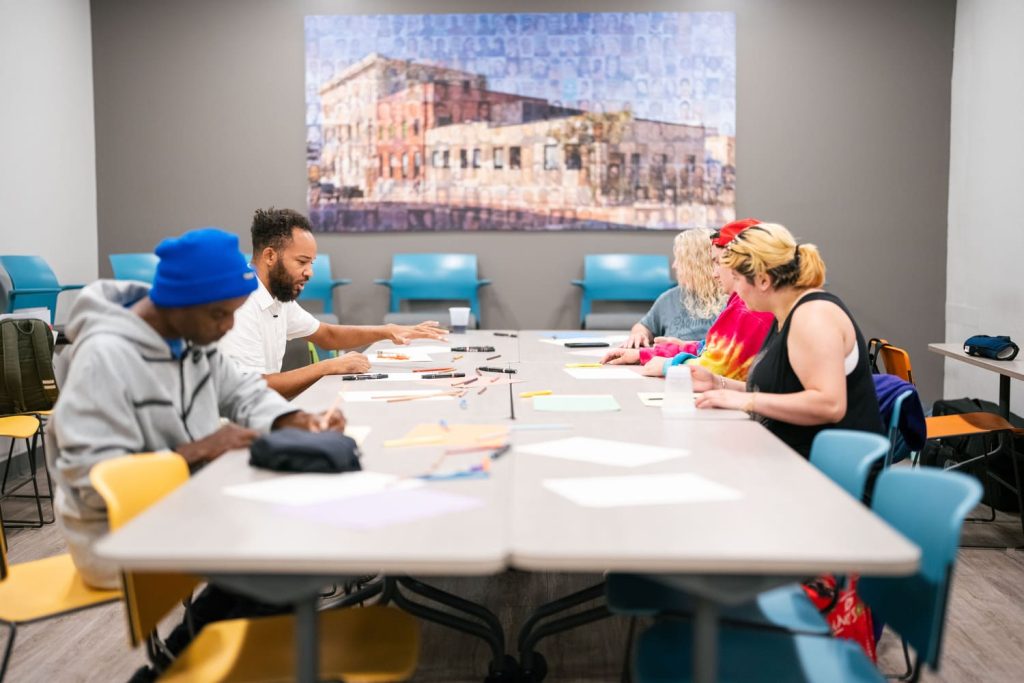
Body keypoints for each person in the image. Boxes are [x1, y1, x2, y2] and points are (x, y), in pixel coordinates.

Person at [48, 228, 345, 589]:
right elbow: (92, 478)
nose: (228, 327)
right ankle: (205, 635)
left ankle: (220, 628)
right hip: (115, 534)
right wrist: (197, 451)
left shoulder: (192, 340)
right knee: (281, 533)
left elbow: (244, 392)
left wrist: (296, 419)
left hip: (183, 503)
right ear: (178, 303)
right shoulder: (104, 357)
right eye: (220, 314)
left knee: (297, 510)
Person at [690, 223, 884, 457]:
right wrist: (718, 383)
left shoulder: (814, 317)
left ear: (763, 281)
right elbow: (782, 390)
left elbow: (829, 405)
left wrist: (747, 400)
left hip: (825, 473)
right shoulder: (783, 314)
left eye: (737, 278)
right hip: (792, 456)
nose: (736, 291)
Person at [219, 208, 448, 399]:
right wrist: (328, 367)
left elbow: (327, 336)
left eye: (311, 263)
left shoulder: (277, 297)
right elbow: (254, 388)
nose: (309, 272)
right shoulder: (240, 305)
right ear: (270, 257)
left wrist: (388, 331)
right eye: (302, 262)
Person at [604, 219, 773, 382]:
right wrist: (643, 354)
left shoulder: (749, 307)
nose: (714, 273)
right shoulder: (738, 302)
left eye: (717, 262)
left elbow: (714, 367)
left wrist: (668, 366)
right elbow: (708, 350)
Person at [619, 228, 724, 349]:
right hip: (667, 364)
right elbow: (644, 326)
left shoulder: (731, 300)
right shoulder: (669, 298)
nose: (674, 265)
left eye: (679, 259)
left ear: (696, 264)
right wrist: (639, 334)